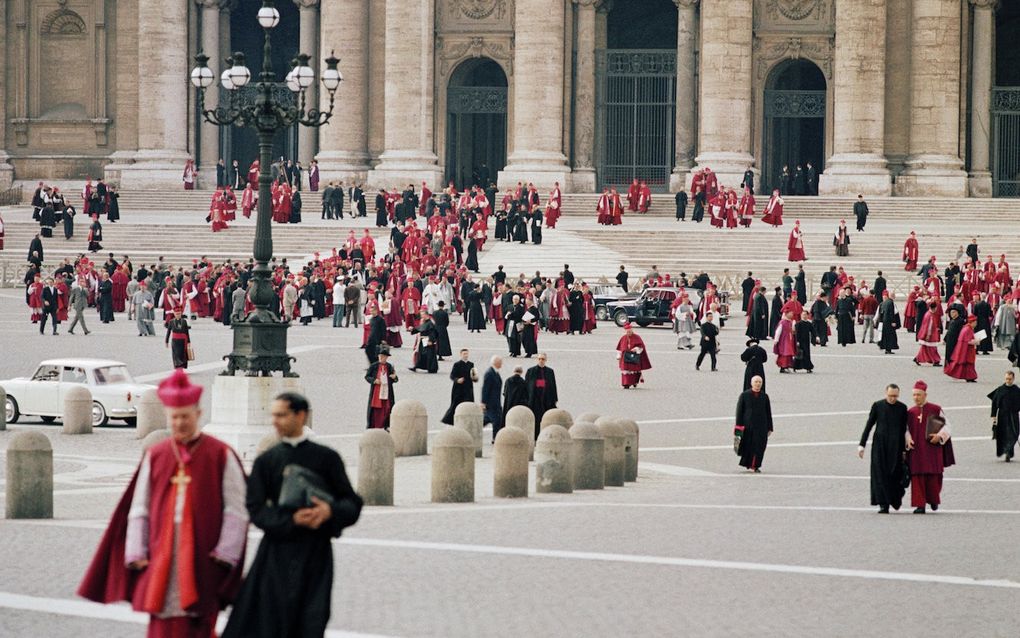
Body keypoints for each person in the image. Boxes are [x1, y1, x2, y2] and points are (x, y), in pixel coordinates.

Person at [78, 369, 248, 637]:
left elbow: (236, 511)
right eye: (175, 417)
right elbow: (140, 507)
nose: (180, 423)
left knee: (199, 623)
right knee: (161, 621)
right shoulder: (157, 454)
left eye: (185, 417)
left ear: (198, 415)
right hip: (162, 552)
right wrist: (136, 551)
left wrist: (226, 554)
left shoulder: (220, 454)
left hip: (205, 555)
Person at [222, 393, 363, 638]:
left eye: (281, 415)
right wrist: (290, 520)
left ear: (300, 415)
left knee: (311, 620)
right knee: (268, 621)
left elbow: (351, 503)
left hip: (315, 553)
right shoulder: (267, 461)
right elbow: (255, 507)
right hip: (275, 554)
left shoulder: (326, 458)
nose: (275, 421)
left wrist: (329, 512)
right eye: (273, 415)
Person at [858, 384, 909, 513]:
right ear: (886, 393)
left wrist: (904, 450)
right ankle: (883, 504)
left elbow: (904, 429)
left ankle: (893, 499)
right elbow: (869, 425)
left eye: (895, 396)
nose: (893, 398)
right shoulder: (878, 406)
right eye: (891, 396)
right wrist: (862, 445)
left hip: (896, 447)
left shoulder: (902, 408)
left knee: (894, 474)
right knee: (879, 474)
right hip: (879, 446)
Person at [905, 380, 954, 513]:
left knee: (934, 477)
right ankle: (920, 505)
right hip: (916, 451)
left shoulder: (936, 409)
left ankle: (933, 500)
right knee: (917, 477)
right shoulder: (910, 412)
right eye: (914, 395)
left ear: (925, 395)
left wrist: (940, 436)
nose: (916, 397)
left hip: (932, 450)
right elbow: (906, 429)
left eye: (918, 395)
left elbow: (947, 426)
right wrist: (908, 439)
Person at [734, 375, 773, 473]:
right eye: (756, 382)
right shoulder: (744, 395)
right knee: (749, 446)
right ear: (752, 383)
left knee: (760, 446)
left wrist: (770, 427)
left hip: (762, 426)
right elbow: (739, 411)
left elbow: (768, 412)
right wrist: (738, 426)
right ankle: (749, 463)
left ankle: (756, 465)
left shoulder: (765, 396)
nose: (758, 384)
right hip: (748, 426)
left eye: (760, 382)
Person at [988, 371, 1020, 462]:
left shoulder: (1017, 390)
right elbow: (994, 403)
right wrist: (993, 416)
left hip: (1013, 415)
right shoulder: (1000, 390)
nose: (1008, 381)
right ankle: (1007, 452)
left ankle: (1009, 449)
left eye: (1010, 379)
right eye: (1006, 379)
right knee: (1004, 434)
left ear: (1013, 379)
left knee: (1014, 433)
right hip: (1002, 415)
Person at [441, 349, 477, 425]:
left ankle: (469, 421)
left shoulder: (471, 364)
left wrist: (475, 377)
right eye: (464, 354)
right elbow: (452, 376)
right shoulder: (457, 364)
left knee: (469, 404)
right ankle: (450, 420)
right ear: (461, 355)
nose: (466, 355)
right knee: (456, 404)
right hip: (458, 388)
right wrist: (457, 380)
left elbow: (473, 375)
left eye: (467, 354)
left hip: (468, 387)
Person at [525, 354, 558, 437]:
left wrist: (554, 398)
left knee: (546, 418)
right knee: (536, 418)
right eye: (539, 359)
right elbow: (527, 385)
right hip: (535, 398)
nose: (541, 360)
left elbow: (553, 385)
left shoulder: (550, 371)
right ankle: (535, 435)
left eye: (543, 359)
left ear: (545, 360)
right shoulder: (531, 371)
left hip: (546, 399)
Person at [365, 346, 397, 429]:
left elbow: (395, 378)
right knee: (376, 407)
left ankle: (386, 424)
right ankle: (375, 425)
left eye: (384, 357)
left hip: (387, 389)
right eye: (381, 356)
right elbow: (367, 376)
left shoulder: (389, 366)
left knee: (387, 407)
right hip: (377, 390)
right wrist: (374, 380)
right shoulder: (374, 366)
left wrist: (394, 377)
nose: (382, 358)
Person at [944, 314, 978, 382]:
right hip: (967, 350)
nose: (976, 323)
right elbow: (968, 341)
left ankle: (970, 377)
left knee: (967, 365)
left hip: (965, 349)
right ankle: (970, 377)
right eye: (975, 322)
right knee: (968, 364)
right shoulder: (968, 329)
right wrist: (976, 341)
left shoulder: (966, 328)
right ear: (972, 322)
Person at [616, 323, 651, 389]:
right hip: (625, 357)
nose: (628, 333)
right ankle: (626, 384)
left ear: (632, 330)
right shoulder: (623, 338)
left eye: (629, 331)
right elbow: (620, 348)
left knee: (634, 369)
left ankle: (634, 382)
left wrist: (636, 349)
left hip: (633, 357)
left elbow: (641, 346)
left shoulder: (637, 337)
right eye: (627, 332)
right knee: (625, 370)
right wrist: (619, 354)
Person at [482, 356, 504, 440]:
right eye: (500, 362)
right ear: (496, 363)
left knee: (489, 420)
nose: (502, 364)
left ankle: (472, 431)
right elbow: (485, 388)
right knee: (497, 421)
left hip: (495, 402)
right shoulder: (489, 373)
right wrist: (483, 402)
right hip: (491, 403)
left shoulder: (495, 372)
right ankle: (496, 438)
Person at [914, 300, 942, 366]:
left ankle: (918, 358)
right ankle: (935, 360)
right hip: (930, 335)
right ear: (934, 308)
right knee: (932, 348)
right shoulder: (930, 315)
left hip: (926, 334)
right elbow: (929, 326)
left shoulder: (927, 314)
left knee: (925, 348)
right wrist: (928, 335)